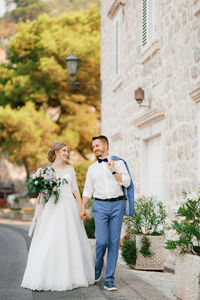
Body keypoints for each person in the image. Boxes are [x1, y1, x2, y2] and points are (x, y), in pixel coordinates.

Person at [21, 142, 94, 291]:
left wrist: (81, 207)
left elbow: (75, 189)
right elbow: (44, 193)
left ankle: (74, 275)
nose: (67, 153)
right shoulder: (47, 171)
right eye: (64, 151)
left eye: (67, 151)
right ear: (56, 152)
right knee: (50, 239)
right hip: (54, 206)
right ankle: (48, 275)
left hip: (69, 206)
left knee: (72, 239)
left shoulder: (70, 169)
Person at [80, 135, 133, 291]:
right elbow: (87, 190)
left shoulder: (119, 163)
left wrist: (113, 171)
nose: (95, 148)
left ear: (106, 145)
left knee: (114, 243)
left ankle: (109, 279)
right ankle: (97, 266)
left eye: (97, 145)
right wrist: (82, 207)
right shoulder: (92, 169)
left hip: (117, 205)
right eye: (93, 146)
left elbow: (127, 181)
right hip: (100, 206)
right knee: (102, 241)